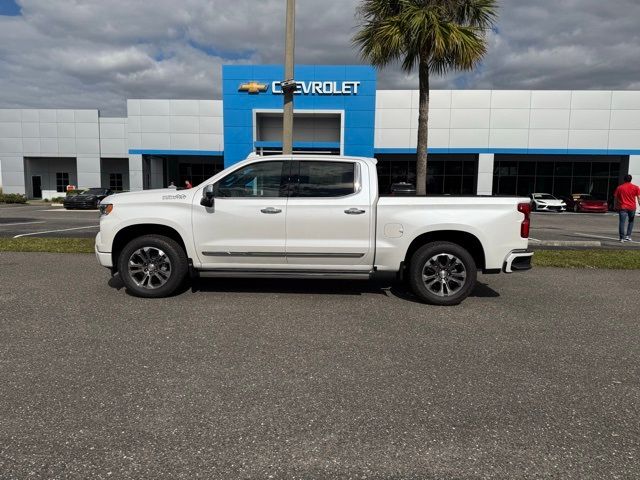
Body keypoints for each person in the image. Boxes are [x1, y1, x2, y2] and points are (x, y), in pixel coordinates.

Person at [613, 174, 640, 242]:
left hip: (623, 207)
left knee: (622, 222)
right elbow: (639, 198)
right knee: (631, 221)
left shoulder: (620, 187)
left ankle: (622, 237)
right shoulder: (636, 187)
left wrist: (615, 206)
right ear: (631, 180)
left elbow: (616, 198)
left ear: (624, 180)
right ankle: (628, 236)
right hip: (632, 207)